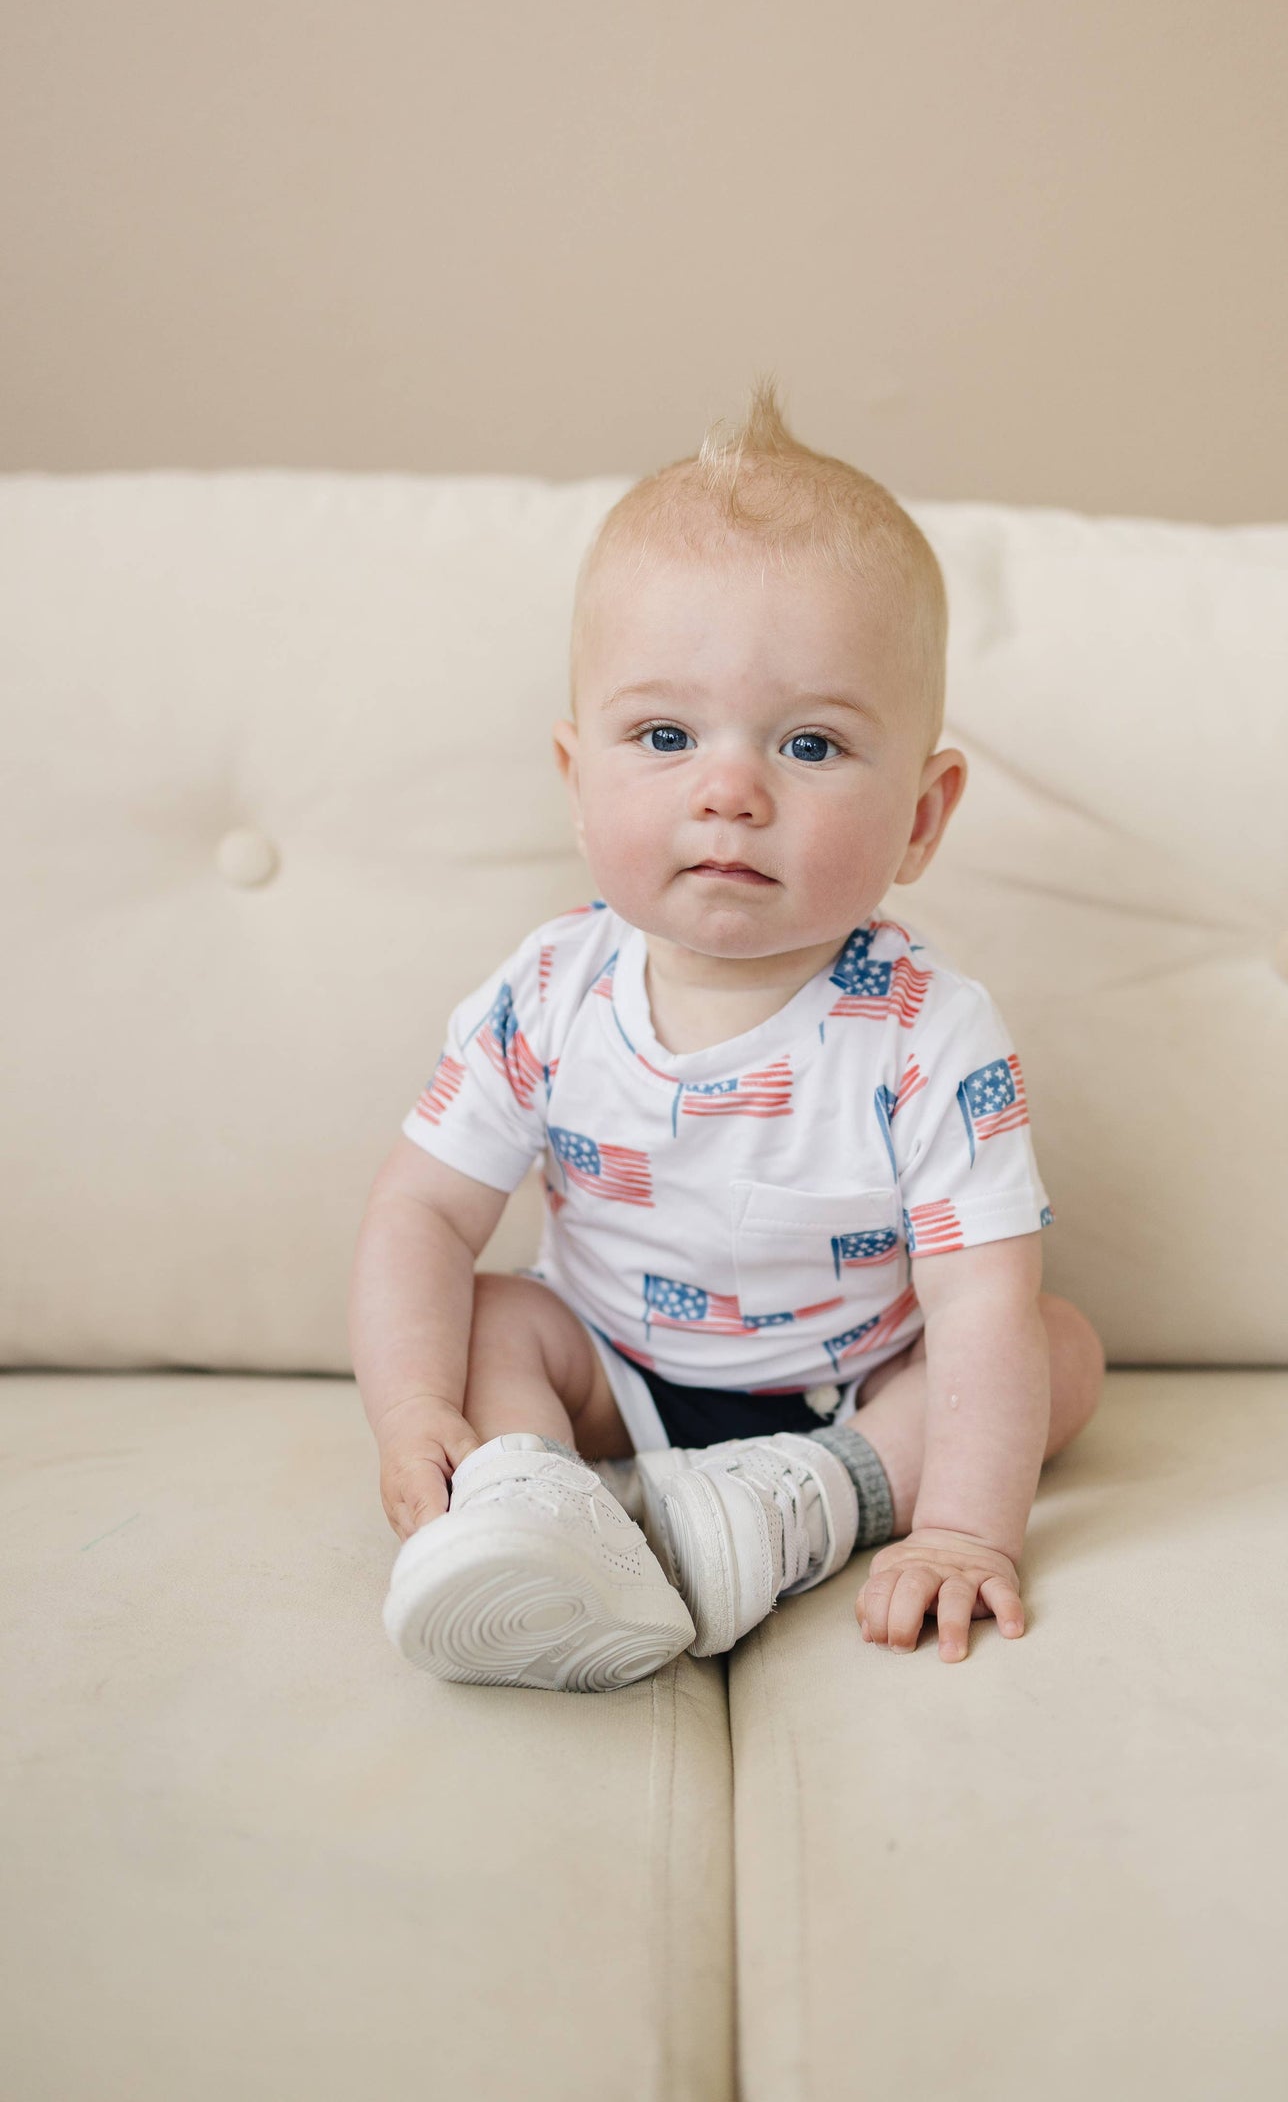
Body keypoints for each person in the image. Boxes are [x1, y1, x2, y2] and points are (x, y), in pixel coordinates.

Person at [348, 373, 1105, 1692]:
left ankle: (798, 1500)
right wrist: (417, 1416)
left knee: (1052, 1349)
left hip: (851, 1389)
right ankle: (527, 1498)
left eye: (809, 745)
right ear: (579, 787)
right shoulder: (545, 992)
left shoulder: (930, 1033)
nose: (731, 790)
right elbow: (419, 1212)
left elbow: (975, 1298)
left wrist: (961, 1530)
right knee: (487, 1315)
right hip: (607, 1374)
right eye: (662, 733)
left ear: (920, 820)